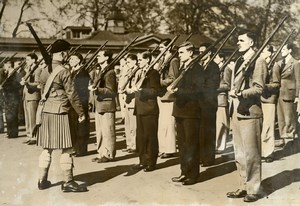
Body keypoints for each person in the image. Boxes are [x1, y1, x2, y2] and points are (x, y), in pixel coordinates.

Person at [36, 39, 87, 192]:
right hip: (61, 111)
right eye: (66, 53)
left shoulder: (45, 69)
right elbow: (72, 94)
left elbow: (42, 89)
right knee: (67, 148)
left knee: (47, 148)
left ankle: (42, 180)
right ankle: (68, 182)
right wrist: (80, 112)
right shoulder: (64, 71)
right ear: (63, 53)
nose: (67, 56)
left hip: (46, 111)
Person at [227, 30, 267, 202]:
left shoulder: (259, 61)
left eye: (241, 40)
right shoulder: (238, 60)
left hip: (250, 112)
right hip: (236, 111)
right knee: (240, 153)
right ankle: (243, 185)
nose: (238, 43)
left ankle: (254, 189)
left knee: (251, 154)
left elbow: (259, 88)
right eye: (237, 40)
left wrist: (241, 93)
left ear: (251, 43)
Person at [170, 42, 203, 185]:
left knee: (191, 144)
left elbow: (198, 91)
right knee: (182, 144)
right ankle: (184, 172)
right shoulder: (182, 68)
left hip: (191, 111)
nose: (179, 55)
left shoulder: (197, 69)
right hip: (180, 110)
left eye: (182, 52)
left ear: (190, 53)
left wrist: (178, 92)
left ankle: (193, 175)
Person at [132, 51, 160, 172]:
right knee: (141, 137)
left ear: (147, 60)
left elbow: (155, 91)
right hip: (140, 108)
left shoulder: (153, 73)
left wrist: (141, 90)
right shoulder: (140, 72)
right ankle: (142, 161)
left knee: (150, 137)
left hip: (149, 109)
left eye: (140, 60)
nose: (138, 63)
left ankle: (151, 162)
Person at [89, 50, 117, 163]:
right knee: (100, 131)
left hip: (106, 105)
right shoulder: (100, 71)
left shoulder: (110, 72)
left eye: (99, 55)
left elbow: (111, 91)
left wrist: (97, 89)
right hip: (99, 105)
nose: (97, 57)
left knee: (108, 131)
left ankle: (109, 154)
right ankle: (101, 153)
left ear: (106, 58)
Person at [156, 39, 179, 159]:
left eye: (161, 47)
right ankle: (163, 148)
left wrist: (158, 82)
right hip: (161, 95)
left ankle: (170, 149)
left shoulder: (173, 60)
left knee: (169, 124)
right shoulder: (162, 60)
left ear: (168, 48)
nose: (159, 49)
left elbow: (173, 78)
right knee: (162, 124)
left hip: (168, 96)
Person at [198, 43, 220, 166]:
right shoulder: (200, 66)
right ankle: (202, 156)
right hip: (200, 103)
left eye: (203, 51)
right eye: (199, 51)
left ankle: (208, 158)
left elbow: (212, 85)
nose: (201, 54)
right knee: (201, 131)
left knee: (208, 131)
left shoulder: (213, 67)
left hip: (209, 103)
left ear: (209, 53)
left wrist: (199, 88)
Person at [276, 43, 300, 146]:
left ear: (290, 50)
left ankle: (290, 138)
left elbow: (298, 80)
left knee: (289, 117)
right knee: (280, 117)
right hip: (280, 93)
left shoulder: (295, 63)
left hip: (290, 93)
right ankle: (283, 137)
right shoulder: (280, 63)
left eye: (284, 49)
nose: (282, 51)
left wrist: (297, 96)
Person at [260, 45, 280, 162]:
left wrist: (263, 87)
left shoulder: (275, 66)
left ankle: (268, 153)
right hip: (258, 98)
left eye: (264, 51)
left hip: (269, 99)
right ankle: (261, 150)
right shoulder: (260, 64)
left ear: (270, 53)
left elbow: (276, 84)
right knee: (261, 126)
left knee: (268, 126)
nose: (261, 53)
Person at [68, 52, 90, 156]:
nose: (70, 61)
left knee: (81, 126)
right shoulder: (72, 72)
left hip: (80, 101)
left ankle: (81, 149)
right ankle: (75, 148)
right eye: (70, 59)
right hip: (73, 101)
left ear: (78, 60)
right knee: (74, 126)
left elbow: (82, 89)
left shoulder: (83, 73)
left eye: (72, 59)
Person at [20, 52, 42, 145]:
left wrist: (27, 84)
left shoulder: (37, 70)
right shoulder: (29, 69)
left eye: (28, 59)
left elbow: (37, 84)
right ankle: (29, 135)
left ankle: (34, 136)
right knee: (28, 118)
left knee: (33, 118)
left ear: (34, 60)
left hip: (33, 96)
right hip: (27, 96)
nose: (26, 61)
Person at [122, 53, 140, 153]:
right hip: (127, 101)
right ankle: (129, 144)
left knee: (134, 127)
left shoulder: (137, 71)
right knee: (127, 125)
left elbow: (136, 85)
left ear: (134, 61)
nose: (127, 64)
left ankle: (134, 145)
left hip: (133, 101)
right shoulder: (128, 71)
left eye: (129, 62)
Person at [0, 60, 22, 139]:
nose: (4, 67)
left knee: (13, 115)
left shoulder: (16, 74)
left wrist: (5, 87)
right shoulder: (7, 74)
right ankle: (10, 132)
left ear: (9, 65)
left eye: (5, 65)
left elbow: (18, 85)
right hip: (7, 97)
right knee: (8, 115)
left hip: (13, 97)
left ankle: (14, 133)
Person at [215, 52, 232, 152]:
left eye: (216, 57)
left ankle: (220, 146)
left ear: (221, 59)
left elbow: (227, 85)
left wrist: (214, 87)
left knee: (222, 124)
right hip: (214, 99)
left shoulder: (226, 69)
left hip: (221, 99)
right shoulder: (215, 69)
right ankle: (216, 145)